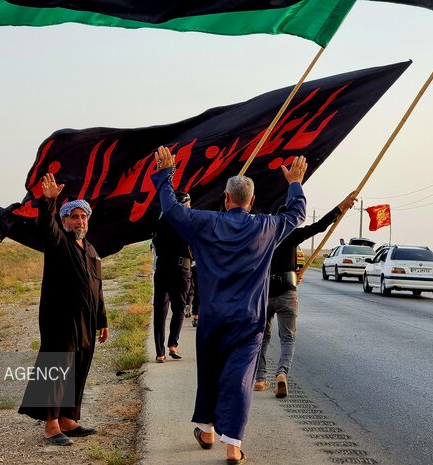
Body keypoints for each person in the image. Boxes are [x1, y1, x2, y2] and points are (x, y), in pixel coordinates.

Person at [151, 146, 307, 464]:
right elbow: (296, 215)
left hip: (213, 317)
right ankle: (232, 445)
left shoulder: (206, 223)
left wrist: (166, 175)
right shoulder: (266, 227)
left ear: (225, 198)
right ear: (251, 201)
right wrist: (294, 183)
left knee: (211, 375)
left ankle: (208, 432)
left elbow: (171, 209)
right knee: (239, 379)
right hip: (249, 321)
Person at [18, 172, 109, 446]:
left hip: (87, 319)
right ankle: (51, 425)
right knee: (57, 367)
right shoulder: (59, 243)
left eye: (83, 217)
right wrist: (48, 202)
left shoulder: (90, 249)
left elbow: (98, 287)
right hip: (61, 318)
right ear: (65, 220)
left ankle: (69, 419)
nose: (79, 221)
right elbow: (47, 226)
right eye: (74, 217)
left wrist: (102, 320)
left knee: (79, 366)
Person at [254, 192, 357, 397]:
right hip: (287, 292)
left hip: (264, 293)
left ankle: (259, 379)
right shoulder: (292, 234)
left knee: (262, 337)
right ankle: (281, 374)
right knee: (288, 339)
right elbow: (320, 225)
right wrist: (340, 207)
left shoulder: (262, 236)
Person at [151, 190, 193, 362]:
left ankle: (160, 352)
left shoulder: (161, 220)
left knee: (161, 311)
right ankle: (172, 345)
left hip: (163, 269)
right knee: (179, 309)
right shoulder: (187, 222)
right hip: (181, 269)